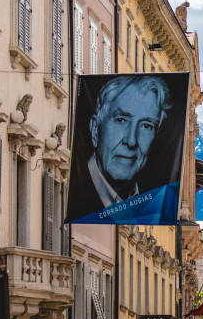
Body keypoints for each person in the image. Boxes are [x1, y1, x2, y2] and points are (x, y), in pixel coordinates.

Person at [68, 75, 173, 220]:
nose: (131, 141)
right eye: (121, 120)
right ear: (95, 130)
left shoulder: (151, 202)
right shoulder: (75, 190)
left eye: (146, 126)